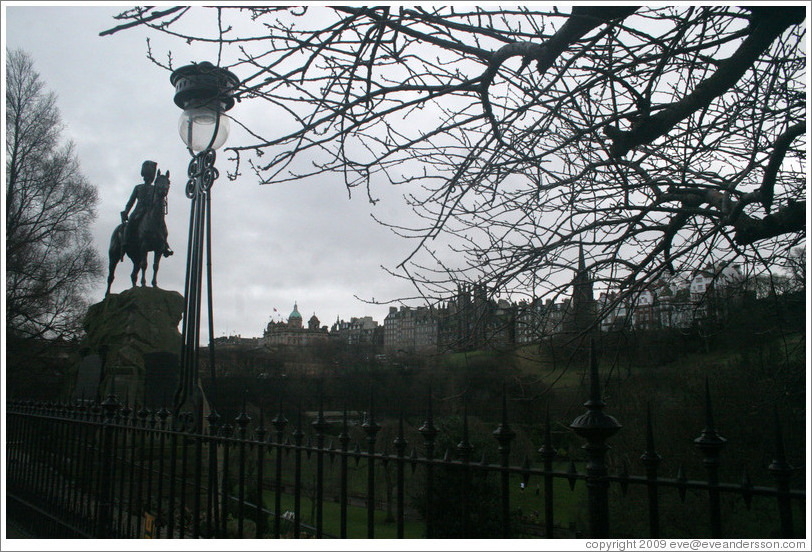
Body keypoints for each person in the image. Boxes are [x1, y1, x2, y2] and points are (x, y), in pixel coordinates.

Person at [120, 160, 172, 258]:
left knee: (161, 225)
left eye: (150, 177)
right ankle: (125, 242)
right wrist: (126, 212)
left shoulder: (154, 188)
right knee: (130, 224)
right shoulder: (138, 187)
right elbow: (131, 202)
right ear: (144, 177)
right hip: (138, 211)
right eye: (147, 177)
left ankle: (165, 245)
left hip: (150, 211)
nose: (148, 179)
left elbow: (158, 198)